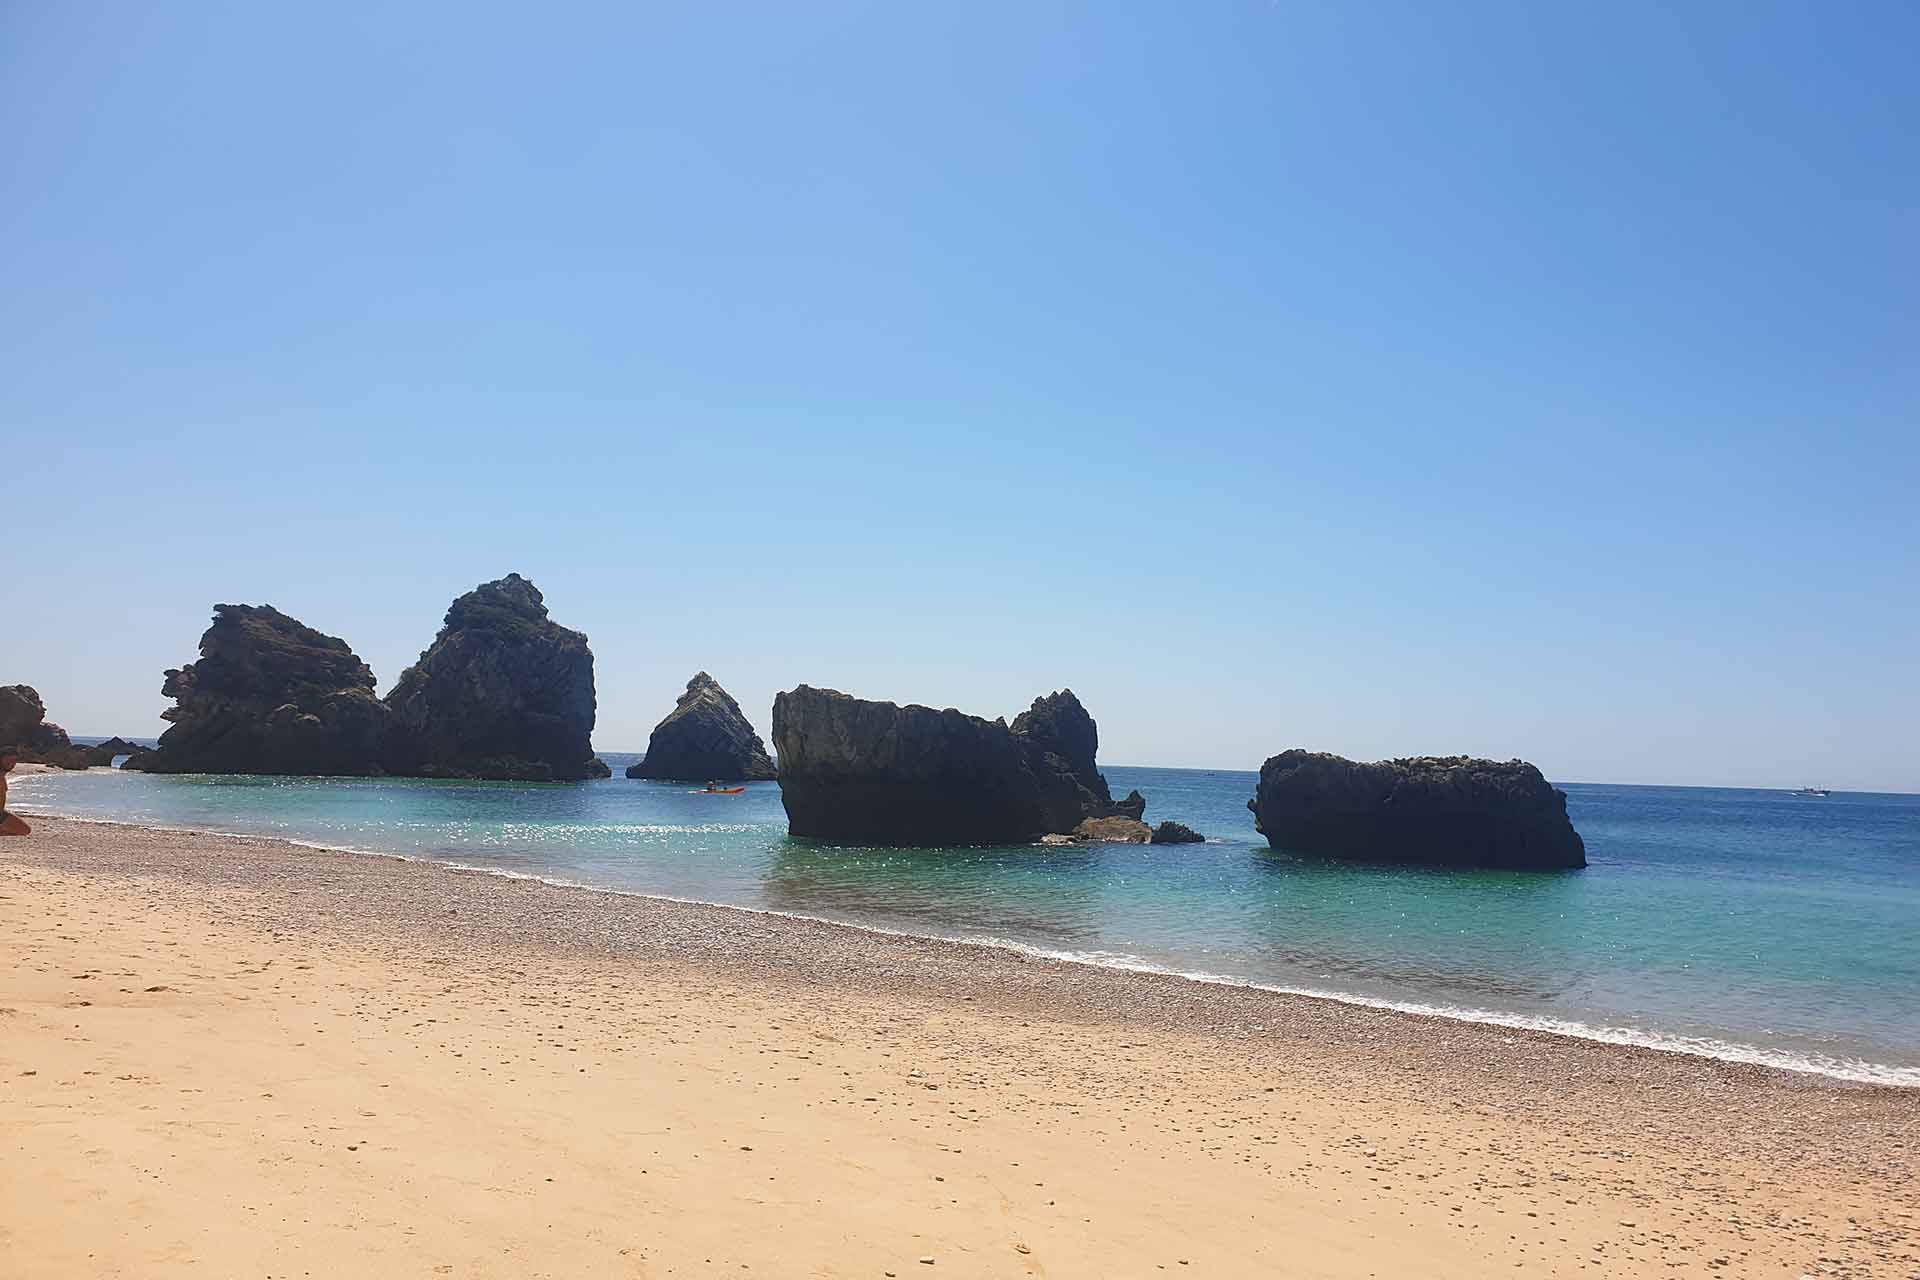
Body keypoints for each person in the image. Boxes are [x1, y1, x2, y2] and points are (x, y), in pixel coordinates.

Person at [0, 745, 29, 836]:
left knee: (24, 830)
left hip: (1, 813)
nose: (11, 763)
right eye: (8, 760)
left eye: (14, 761)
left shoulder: (2, 775)